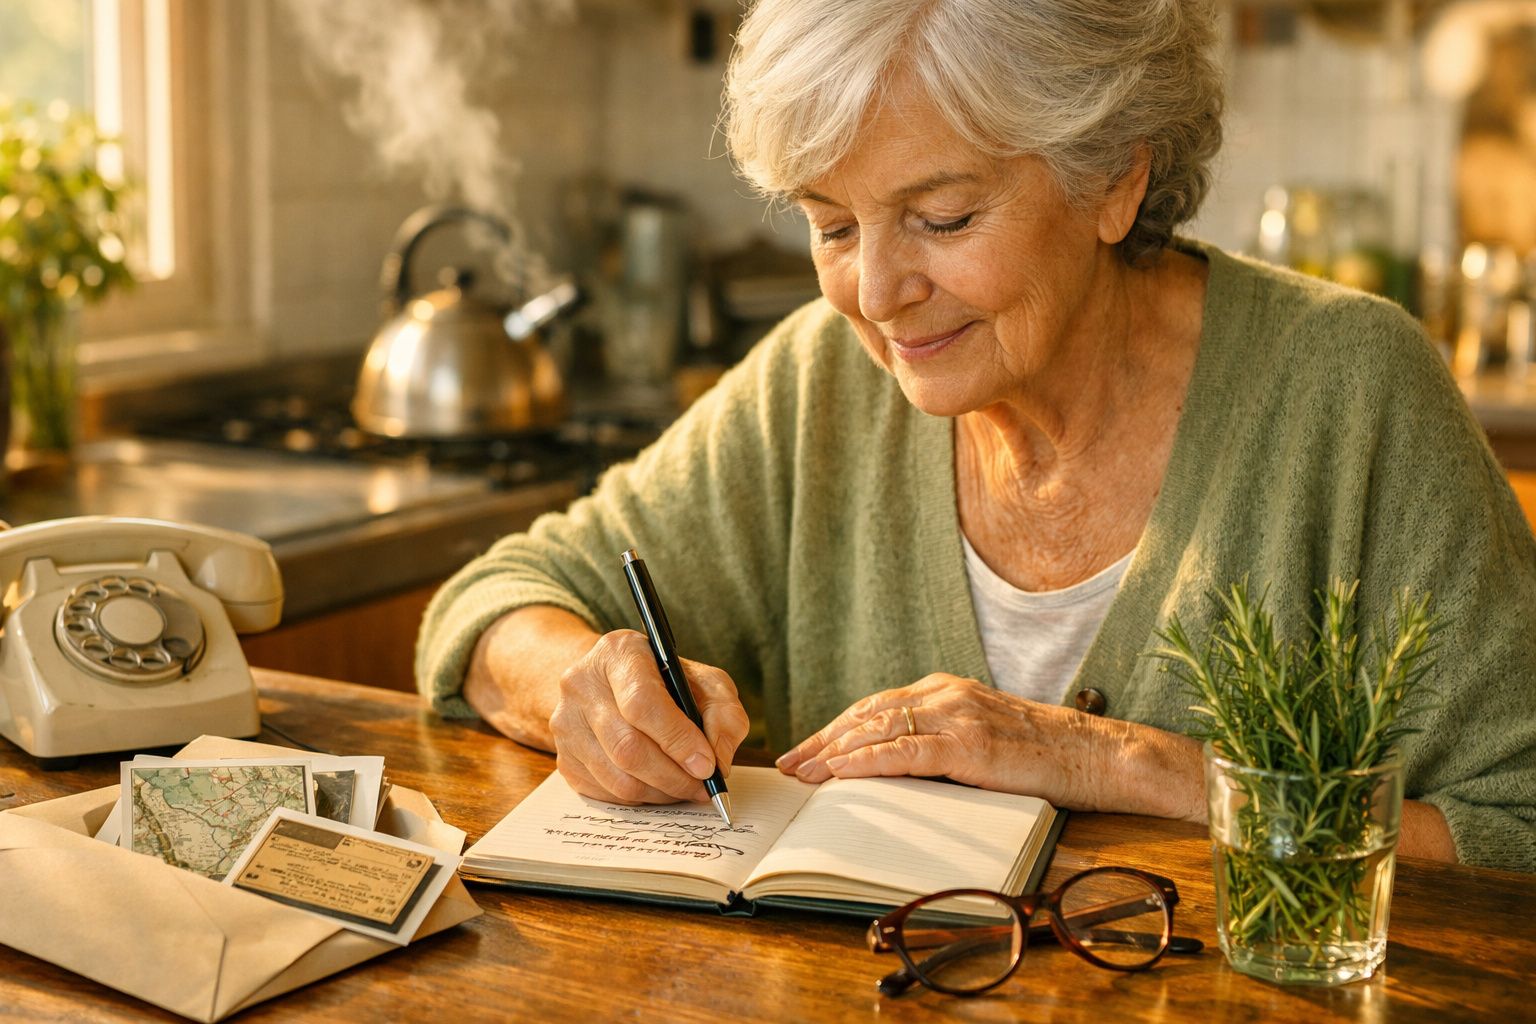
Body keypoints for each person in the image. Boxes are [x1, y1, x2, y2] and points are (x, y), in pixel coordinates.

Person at [417, 0, 1536, 871]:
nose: (881, 290)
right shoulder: (819, 384)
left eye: (944, 219)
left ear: (1115, 174)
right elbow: (500, 598)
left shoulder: (1350, 390)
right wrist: (588, 685)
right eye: (832, 225)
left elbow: (1516, 825)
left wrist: (1111, 761)